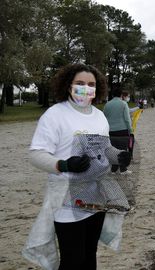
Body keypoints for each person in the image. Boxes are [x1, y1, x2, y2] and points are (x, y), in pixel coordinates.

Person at [23, 63, 132, 269]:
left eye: (91, 84)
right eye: (80, 83)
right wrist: (63, 164)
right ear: (68, 85)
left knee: (90, 255)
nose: (86, 88)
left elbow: (105, 148)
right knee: (73, 260)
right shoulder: (55, 114)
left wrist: (119, 156)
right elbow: (36, 155)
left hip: (96, 196)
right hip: (66, 200)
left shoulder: (100, 116)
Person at [103, 90, 133, 174]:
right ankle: (123, 169)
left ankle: (113, 169)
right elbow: (127, 119)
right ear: (121, 95)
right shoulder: (123, 104)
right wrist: (130, 129)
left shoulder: (107, 104)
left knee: (113, 150)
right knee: (123, 149)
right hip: (122, 130)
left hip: (111, 131)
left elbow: (104, 117)